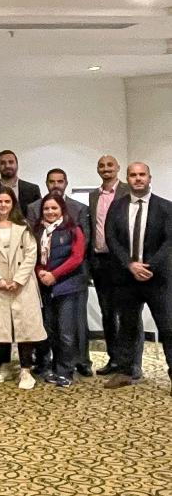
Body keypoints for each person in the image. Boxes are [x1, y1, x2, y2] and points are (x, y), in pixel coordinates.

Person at [104, 162, 172, 393]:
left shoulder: (166, 208)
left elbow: (169, 242)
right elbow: (111, 238)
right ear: (128, 178)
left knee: (168, 327)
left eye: (142, 174)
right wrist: (129, 264)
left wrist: (149, 266)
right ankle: (125, 371)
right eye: (133, 175)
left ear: (149, 177)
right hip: (126, 278)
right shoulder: (117, 206)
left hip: (158, 278)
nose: (138, 178)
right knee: (127, 326)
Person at [0, 187, 46, 390]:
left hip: (21, 284)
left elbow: (31, 254)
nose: (3, 205)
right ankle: (3, 367)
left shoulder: (23, 227)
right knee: (0, 327)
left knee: (24, 327)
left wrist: (18, 280)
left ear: (13, 204)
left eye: (7, 201)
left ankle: (25, 370)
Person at [26, 168, 91, 376]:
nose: (50, 212)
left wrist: (55, 275)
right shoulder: (37, 231)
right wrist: (40, 272)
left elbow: (77, 256)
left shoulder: (73, 229)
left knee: (67, 332)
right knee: (48, 329)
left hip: (68, 284)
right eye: (47, 209)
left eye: (54, 209)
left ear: (62, 210)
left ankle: (66, 370)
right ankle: (50, 366)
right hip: (44, 285)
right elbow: (33, 255)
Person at [88, 155, 139, 378]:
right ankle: (114, 359)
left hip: (124, 261)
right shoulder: (93, 196)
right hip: (100, 262)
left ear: (118, 168)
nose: (106, 169)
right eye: (102, 165)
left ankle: (133, 363)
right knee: (107, 312)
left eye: (110, 165)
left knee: (128, 313)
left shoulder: (129, 191)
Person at [0, 150, 41, 217]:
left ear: (17, 164)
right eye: (2, 163)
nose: (7, 166)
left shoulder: (32, 189)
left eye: (11, 162)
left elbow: (38, 215)